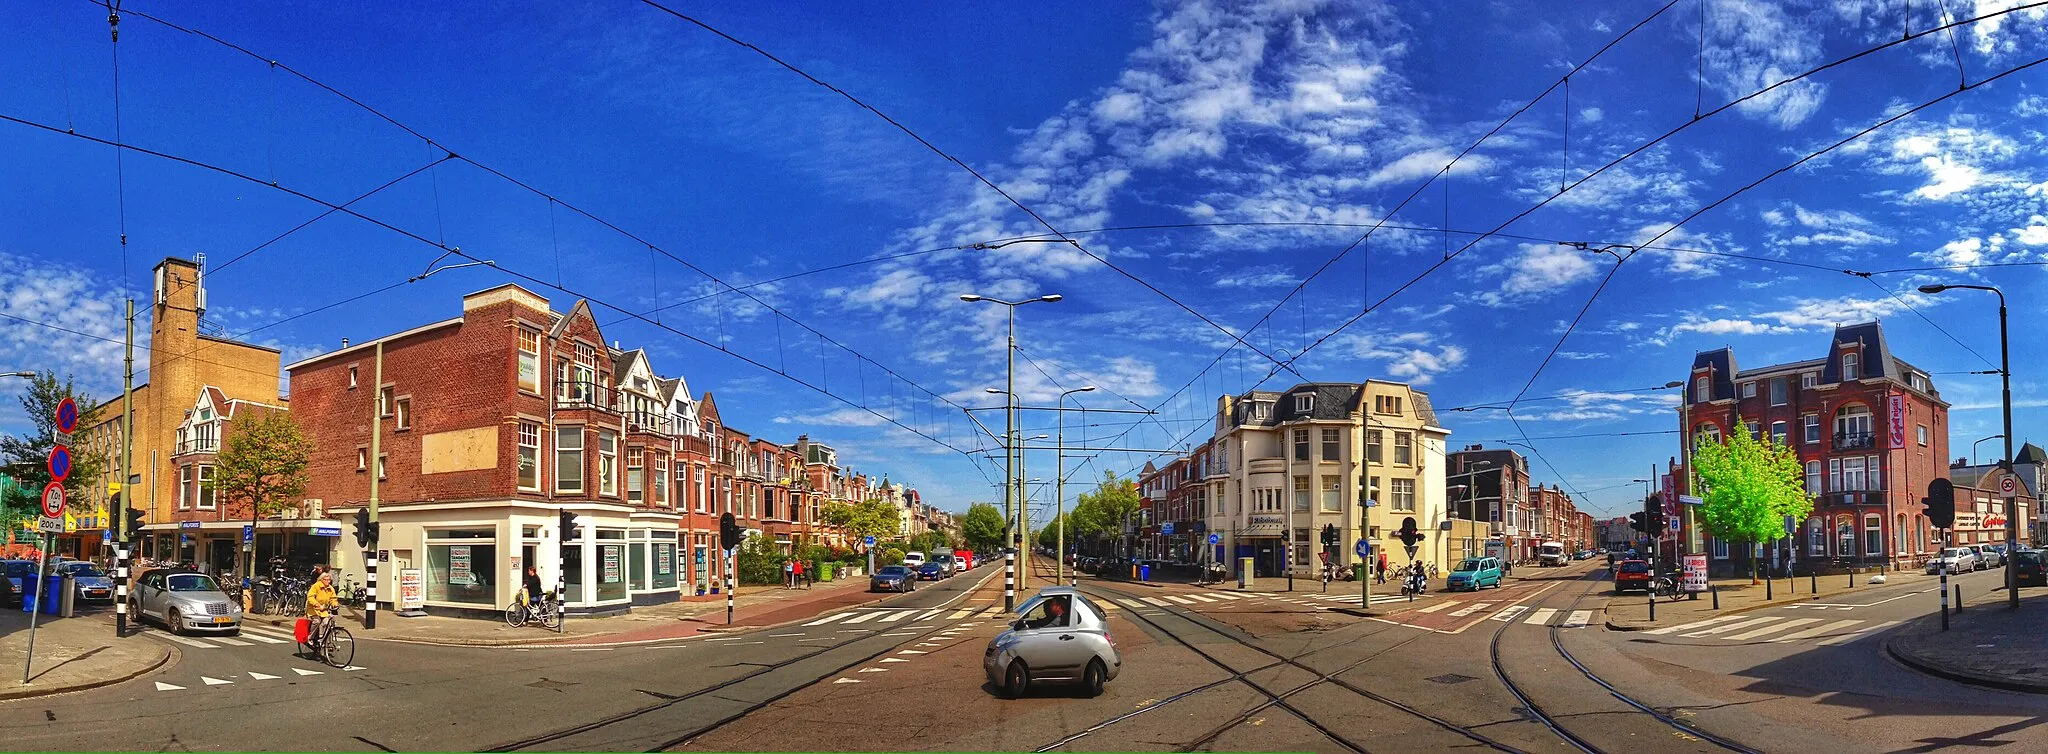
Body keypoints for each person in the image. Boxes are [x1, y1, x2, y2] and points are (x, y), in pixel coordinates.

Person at [302, 570, 339, 657]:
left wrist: (335, 605)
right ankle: (309, 638)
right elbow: (310, 597)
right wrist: (317, 604)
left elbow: (333, 598)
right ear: (321, 579)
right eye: (326, 579)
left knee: (327, 622)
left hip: (323, 610)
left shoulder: (330, 588)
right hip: (313, 609)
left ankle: (323, 640)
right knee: (317, 621)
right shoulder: (316, 586)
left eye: (329, 580)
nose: (328, 581)